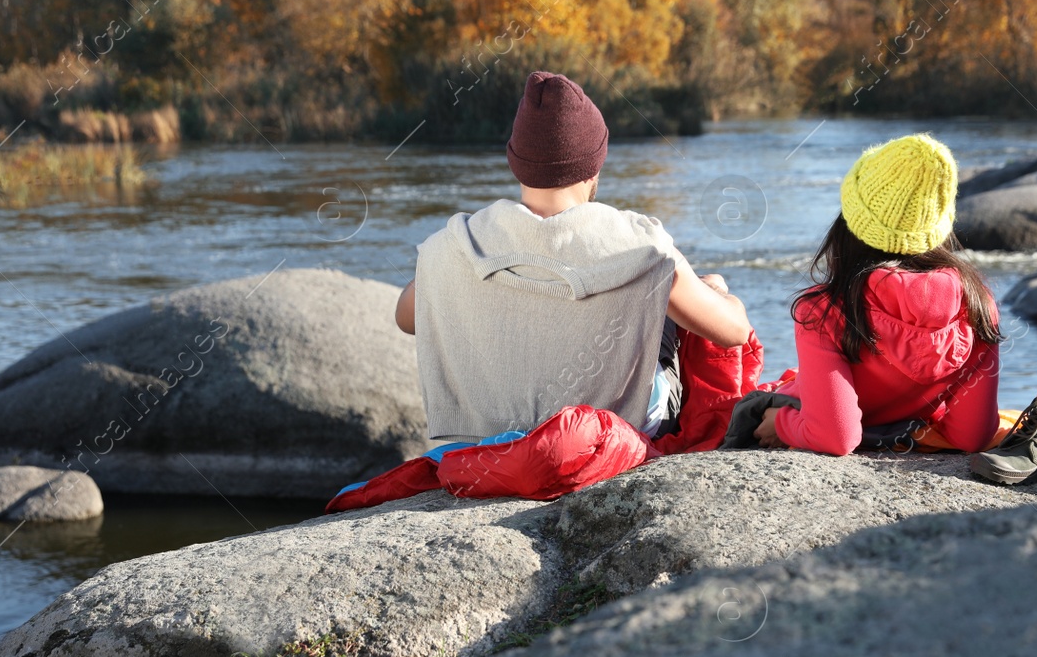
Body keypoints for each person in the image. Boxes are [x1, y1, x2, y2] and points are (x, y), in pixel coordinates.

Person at [395, 70, 753, 443]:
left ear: (515, 162)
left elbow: (406, 318)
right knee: (673, 304)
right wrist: (721, 293)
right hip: (610, 432)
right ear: (594, 166)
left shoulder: (456, 243)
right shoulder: (641, 246)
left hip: (487, 430)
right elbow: (734, 333)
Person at [752, 133, 1001, 455]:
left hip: (802, 409)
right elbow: (972, 437)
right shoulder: (977, 302)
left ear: (849, 224)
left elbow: (835, 437)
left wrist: (781, 422)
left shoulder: (823, 310)